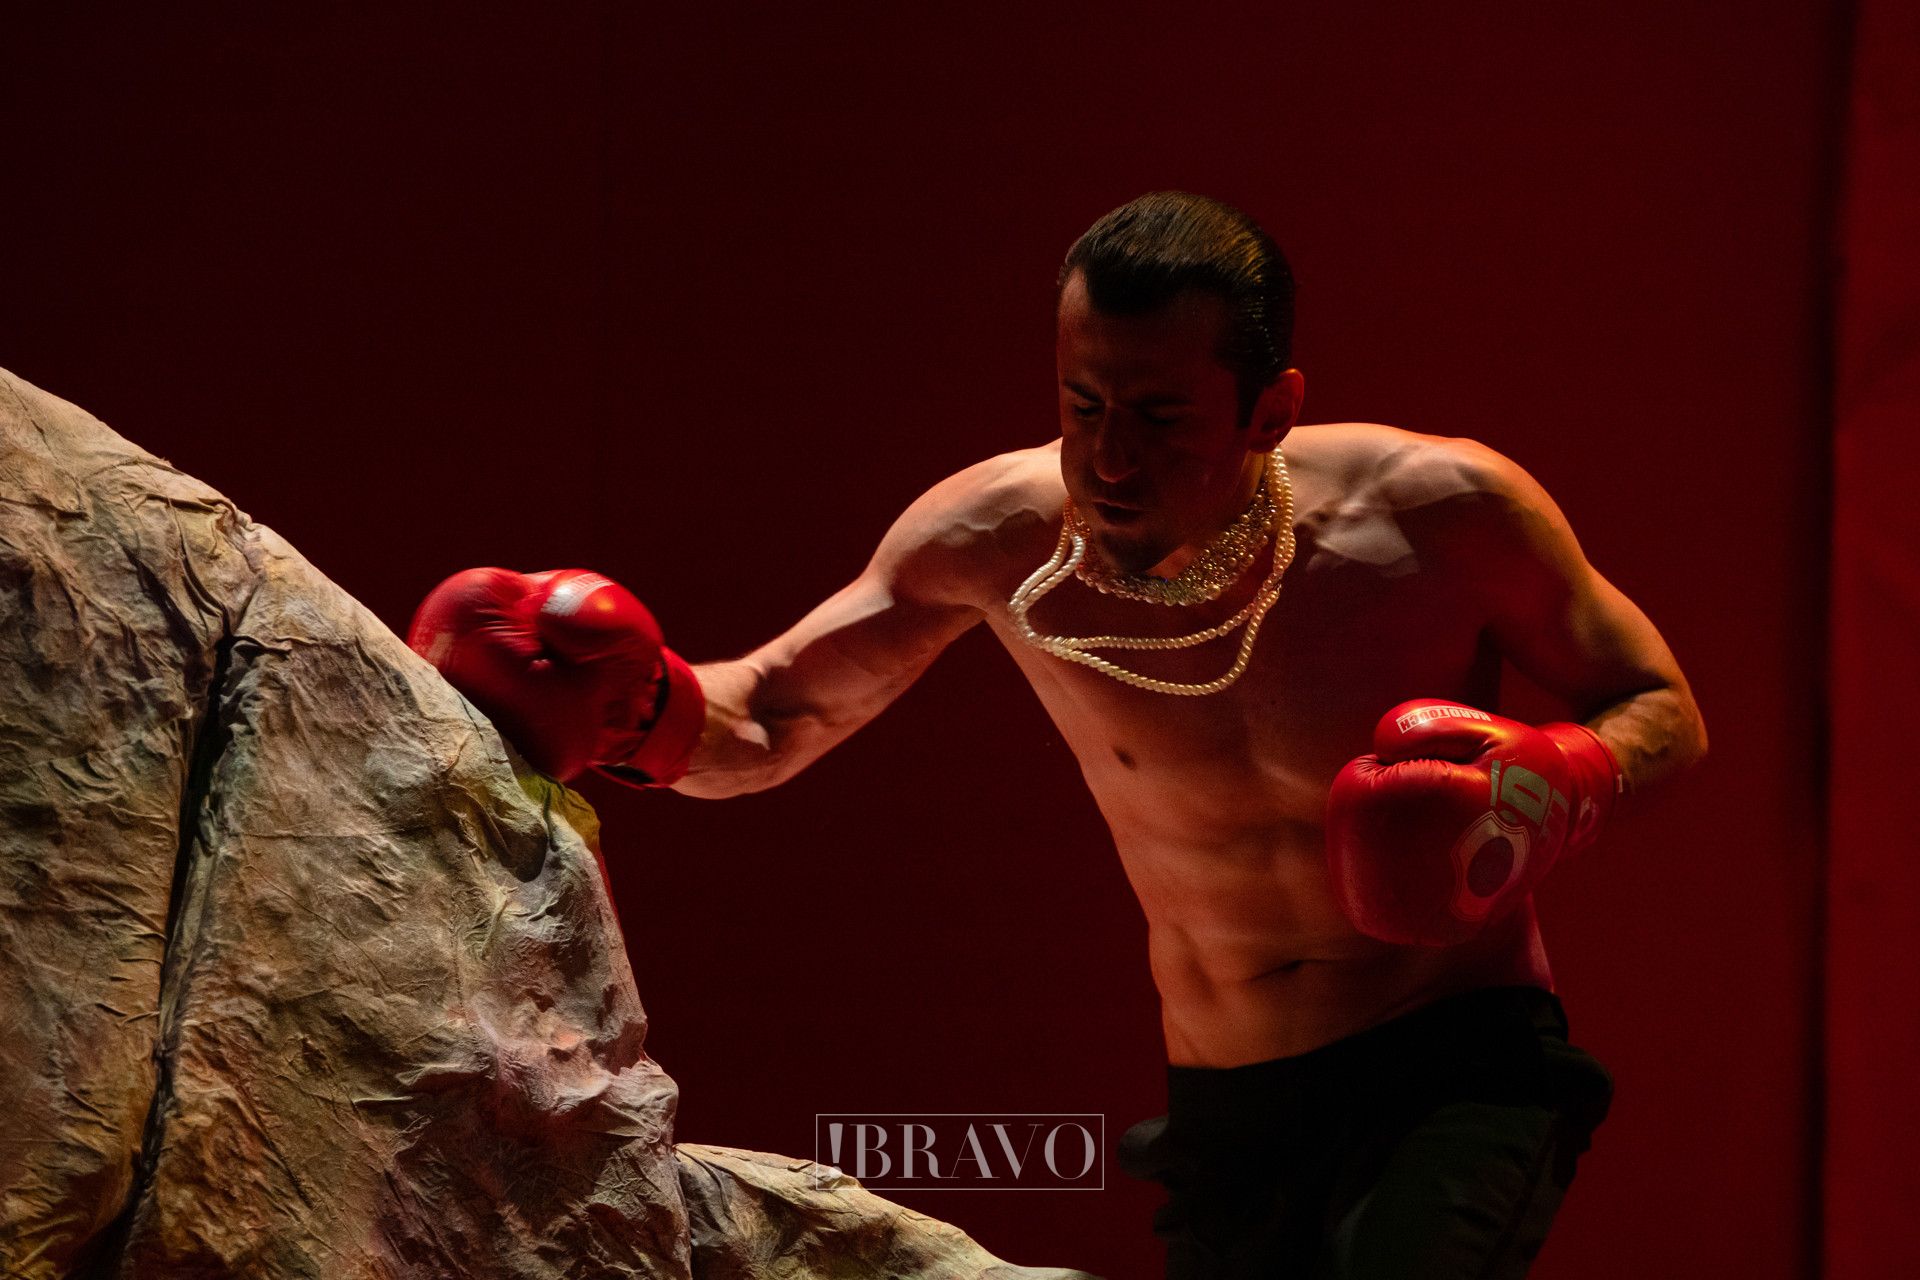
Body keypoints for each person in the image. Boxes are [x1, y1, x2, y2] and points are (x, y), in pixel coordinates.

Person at [409, 191, 1708, 1278]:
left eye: (1160, 418)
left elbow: (1661, 707)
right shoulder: (997, 537)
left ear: (1270, 410)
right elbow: (770, 717)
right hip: (1230, 1103)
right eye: (1085, 405)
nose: (1110, 461)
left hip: (1452, 1061)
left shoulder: (1437, 513)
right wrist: (623, 702)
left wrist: (1545, 785)